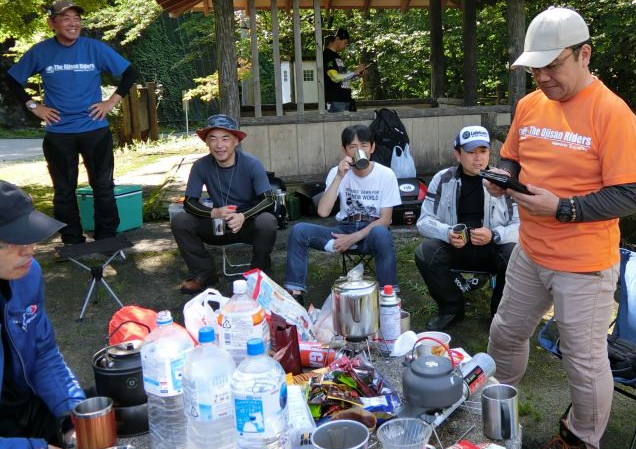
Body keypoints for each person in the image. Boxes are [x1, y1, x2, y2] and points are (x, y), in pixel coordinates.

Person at [485, 7, 636, 449]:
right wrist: (505, 177)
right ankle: (496, 405)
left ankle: (579, 444)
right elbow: (514, 156)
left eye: (552, 65)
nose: (542, 77)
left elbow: (631, 195)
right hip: (530, 250)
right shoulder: (529, 105)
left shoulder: (612, 113)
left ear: (584, 54)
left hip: (584, 263)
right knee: (505, 332)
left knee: (583, 359)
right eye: (535, 68)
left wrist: (562, 208)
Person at [5, 0, 136, 245]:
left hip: (95, 129)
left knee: (103, 186)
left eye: (76, 18)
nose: (73, 23)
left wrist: (111, 102)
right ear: (52, 23)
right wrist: (34, 106)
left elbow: (130, 72)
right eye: (66, 18)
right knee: (64, 191)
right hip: (59, 133)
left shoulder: (94, 48)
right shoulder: (41, 51)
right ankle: (72, 240)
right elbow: (12, 79)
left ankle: (106, 237)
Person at [0, 181, 85, 449]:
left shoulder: (28, 274)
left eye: (30, 237)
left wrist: (72, 416)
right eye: (15, 242)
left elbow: (43, 353)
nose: (30, 251)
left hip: (24, 406)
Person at [415, 126, 519, 330]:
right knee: (425, 252)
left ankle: (499, 314)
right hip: (456, 247)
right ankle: (451, 309)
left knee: (514, 254)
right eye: (471, 152)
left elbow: (521, 226)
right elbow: (424, 221)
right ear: (457, 154)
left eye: (483, 151)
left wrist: (494, 235)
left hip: (492, 248)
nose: (478, 158)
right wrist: (447, 232)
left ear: (489, 153)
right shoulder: (443, 179)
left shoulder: (503, 182)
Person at [284, 124, 400, 306]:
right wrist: (339, 176)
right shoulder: (337, 172)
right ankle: (294, 295)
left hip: (371, 232)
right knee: (299, 231)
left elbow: (385, 219)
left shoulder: (386, 175)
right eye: (353, 147)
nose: (359, 151)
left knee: (381, 233)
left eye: (364, 146)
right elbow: (323, 212)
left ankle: (389, 298)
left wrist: (354, 237)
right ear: (344, 150)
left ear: (372, 148)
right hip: (344, 228)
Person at [171, 114, 278, 294]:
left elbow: (269, 199)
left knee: (267, 221)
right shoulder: (201, 166)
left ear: (236, 141)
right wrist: (214, 213)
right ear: (207, 142)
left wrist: (243, 216)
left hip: (247, 224)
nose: (219, 145)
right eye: (213, 139)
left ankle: (259, 274)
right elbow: (189, 203)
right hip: (218, 225)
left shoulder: (251, 164)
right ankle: (204, 273)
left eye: (225, 138)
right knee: (180, 221)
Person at [323, 28, 367, 112]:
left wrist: (357, 75)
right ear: (337, 39)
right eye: (345, 43)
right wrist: (354, 72)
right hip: (335, 100)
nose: (346, 46)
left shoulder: (337, 56)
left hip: (345, 99)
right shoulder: (327, 55)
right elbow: (335, 77)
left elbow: (343, 79)